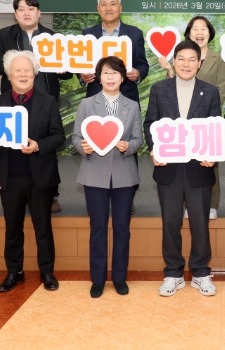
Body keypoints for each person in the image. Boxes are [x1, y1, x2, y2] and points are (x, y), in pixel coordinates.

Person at [143, 40, 221, 297]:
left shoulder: (210, 91)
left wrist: (213, 154)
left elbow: (215, 127)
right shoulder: (159, 89)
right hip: (169, 168)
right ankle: (173, 273)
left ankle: (201, 273)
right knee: (170, 223)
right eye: (181, 59)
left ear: (199, 63)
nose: (186, 64)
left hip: (199, 168)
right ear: (173, 61)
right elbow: (150, 123)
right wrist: (154, 149)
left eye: (192, 59)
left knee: (200, 224)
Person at [0, 50, 65, 293]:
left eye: (27, 70)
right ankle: (14, 272)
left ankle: (47, 272)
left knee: (43, 228)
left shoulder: (48, 101)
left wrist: (38, 145)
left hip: (40, 176)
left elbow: (58, 136)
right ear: (9, 75)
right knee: (12, 228)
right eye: (17, 70)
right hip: (8, 176)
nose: (22, 74)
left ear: (35, 74)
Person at [0, 0, 71, 213]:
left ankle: (51, 194)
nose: (27, 13)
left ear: (39, 13)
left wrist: (63, 69)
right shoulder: (5, 35)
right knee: (12, 146)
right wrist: (16, 63)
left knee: (46, 145)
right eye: (21, 9)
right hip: (14, 100)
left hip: (45, 100)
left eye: (31, 9)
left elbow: (68, 71)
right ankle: (15, 191)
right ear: (16, 14)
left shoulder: (53, 37)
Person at [72, 56, 143, 298]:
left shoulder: (132, 105)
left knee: (122, 228)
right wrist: (83, 147)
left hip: (124, 174)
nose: (110, 77)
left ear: (123, 78)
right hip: (94, 174)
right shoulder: (86, 104)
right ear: (98, 78)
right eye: (105, 73)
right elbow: (75, 137)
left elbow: (138, 139)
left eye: (115, 73)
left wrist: (129, 147)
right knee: (98, 228)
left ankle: (120, 278)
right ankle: (98, 279)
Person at [158, 16, 225, 220]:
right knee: (179, 162)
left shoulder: (217, 58)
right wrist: (169, 70)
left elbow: (222, 88)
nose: (199, 32)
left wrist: (207, 109)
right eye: (195, 28)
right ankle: (184, 203)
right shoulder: (180, 56)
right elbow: (171, 88)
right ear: (188, 33)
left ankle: (211, 204)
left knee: (208, 161)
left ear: (209, 33)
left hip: (205, 118)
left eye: (203, 28)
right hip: (179, 120)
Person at [79, 0, 149, 102]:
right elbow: (80, 64)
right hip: (95, 98)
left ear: (120, 8)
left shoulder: (135, 34)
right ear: (98, 9)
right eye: (104, 4)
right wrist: (82, 76)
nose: (108, 8)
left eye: (112, 4)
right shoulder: (88, 34)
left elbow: (142, 65)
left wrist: (138, 73)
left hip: (127, 98)